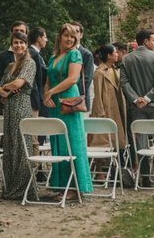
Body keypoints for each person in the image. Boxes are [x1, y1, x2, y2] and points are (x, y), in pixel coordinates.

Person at [43, 23, 93, 199]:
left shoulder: (75, 54)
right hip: (54, 103)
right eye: (67, 36)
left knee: (71, 142)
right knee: (58, 142)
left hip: (68, 102)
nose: (70, 39)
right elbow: (48, 79)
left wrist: (51, 92)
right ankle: (61, 184)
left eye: (73, 36)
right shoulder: (53, 57)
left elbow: (73, 79)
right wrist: (45, 95)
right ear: (60, 37)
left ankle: (75, 187)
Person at [121, 29, 154, 187]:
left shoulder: (126, 59)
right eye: (153, 40)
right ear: (145, 41)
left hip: (137, 108)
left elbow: (124, 82)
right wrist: (148, 98)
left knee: (141, 141)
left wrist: (136, 99)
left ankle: (145, 177)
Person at [0, 31, 37, 200]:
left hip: (21, 106)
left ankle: (23, 189)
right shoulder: (9, 66)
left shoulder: (30, 63)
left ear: (26, 45)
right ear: (11, 45)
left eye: (21, 43)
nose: (18, 45)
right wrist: (6, 90)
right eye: (15, 43)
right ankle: (10, 187)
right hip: (8, 107)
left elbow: (19, 83)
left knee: (21, 146)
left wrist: (6, 87)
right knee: (9, 146)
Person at [90, 44, 127, 155]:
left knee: (117, 139)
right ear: (109, 55)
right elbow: (98, 94)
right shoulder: (99, 72)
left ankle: (115, 165)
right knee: (103, 140)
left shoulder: (114, 69)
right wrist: (100, 113)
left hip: (117, 107)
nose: (117, 54)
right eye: (115, 52)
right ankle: (101, 168)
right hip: (106, 110)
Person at [0, 20, 29, 99]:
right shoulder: (1, 56)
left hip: (29, 101)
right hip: (7, 100)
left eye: (22, 31)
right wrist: (4, 95)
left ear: (26, 35)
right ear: (11, 34)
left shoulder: (33, 56)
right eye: (16, 30)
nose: (19, 33)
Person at [70, 21, 94, 115]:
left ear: (81, 35)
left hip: (80, 99)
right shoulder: (62, 53)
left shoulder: (86, 54)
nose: (74, 34)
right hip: (63, 99)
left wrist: (72, 95)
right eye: (71, 31)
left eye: (76, 31)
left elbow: (86, 80)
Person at [28, 26, 49, 118]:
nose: (46, 40)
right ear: (39, 38)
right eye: (45, 37)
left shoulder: (36, 54)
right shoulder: (33, 53)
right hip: (35, 97)